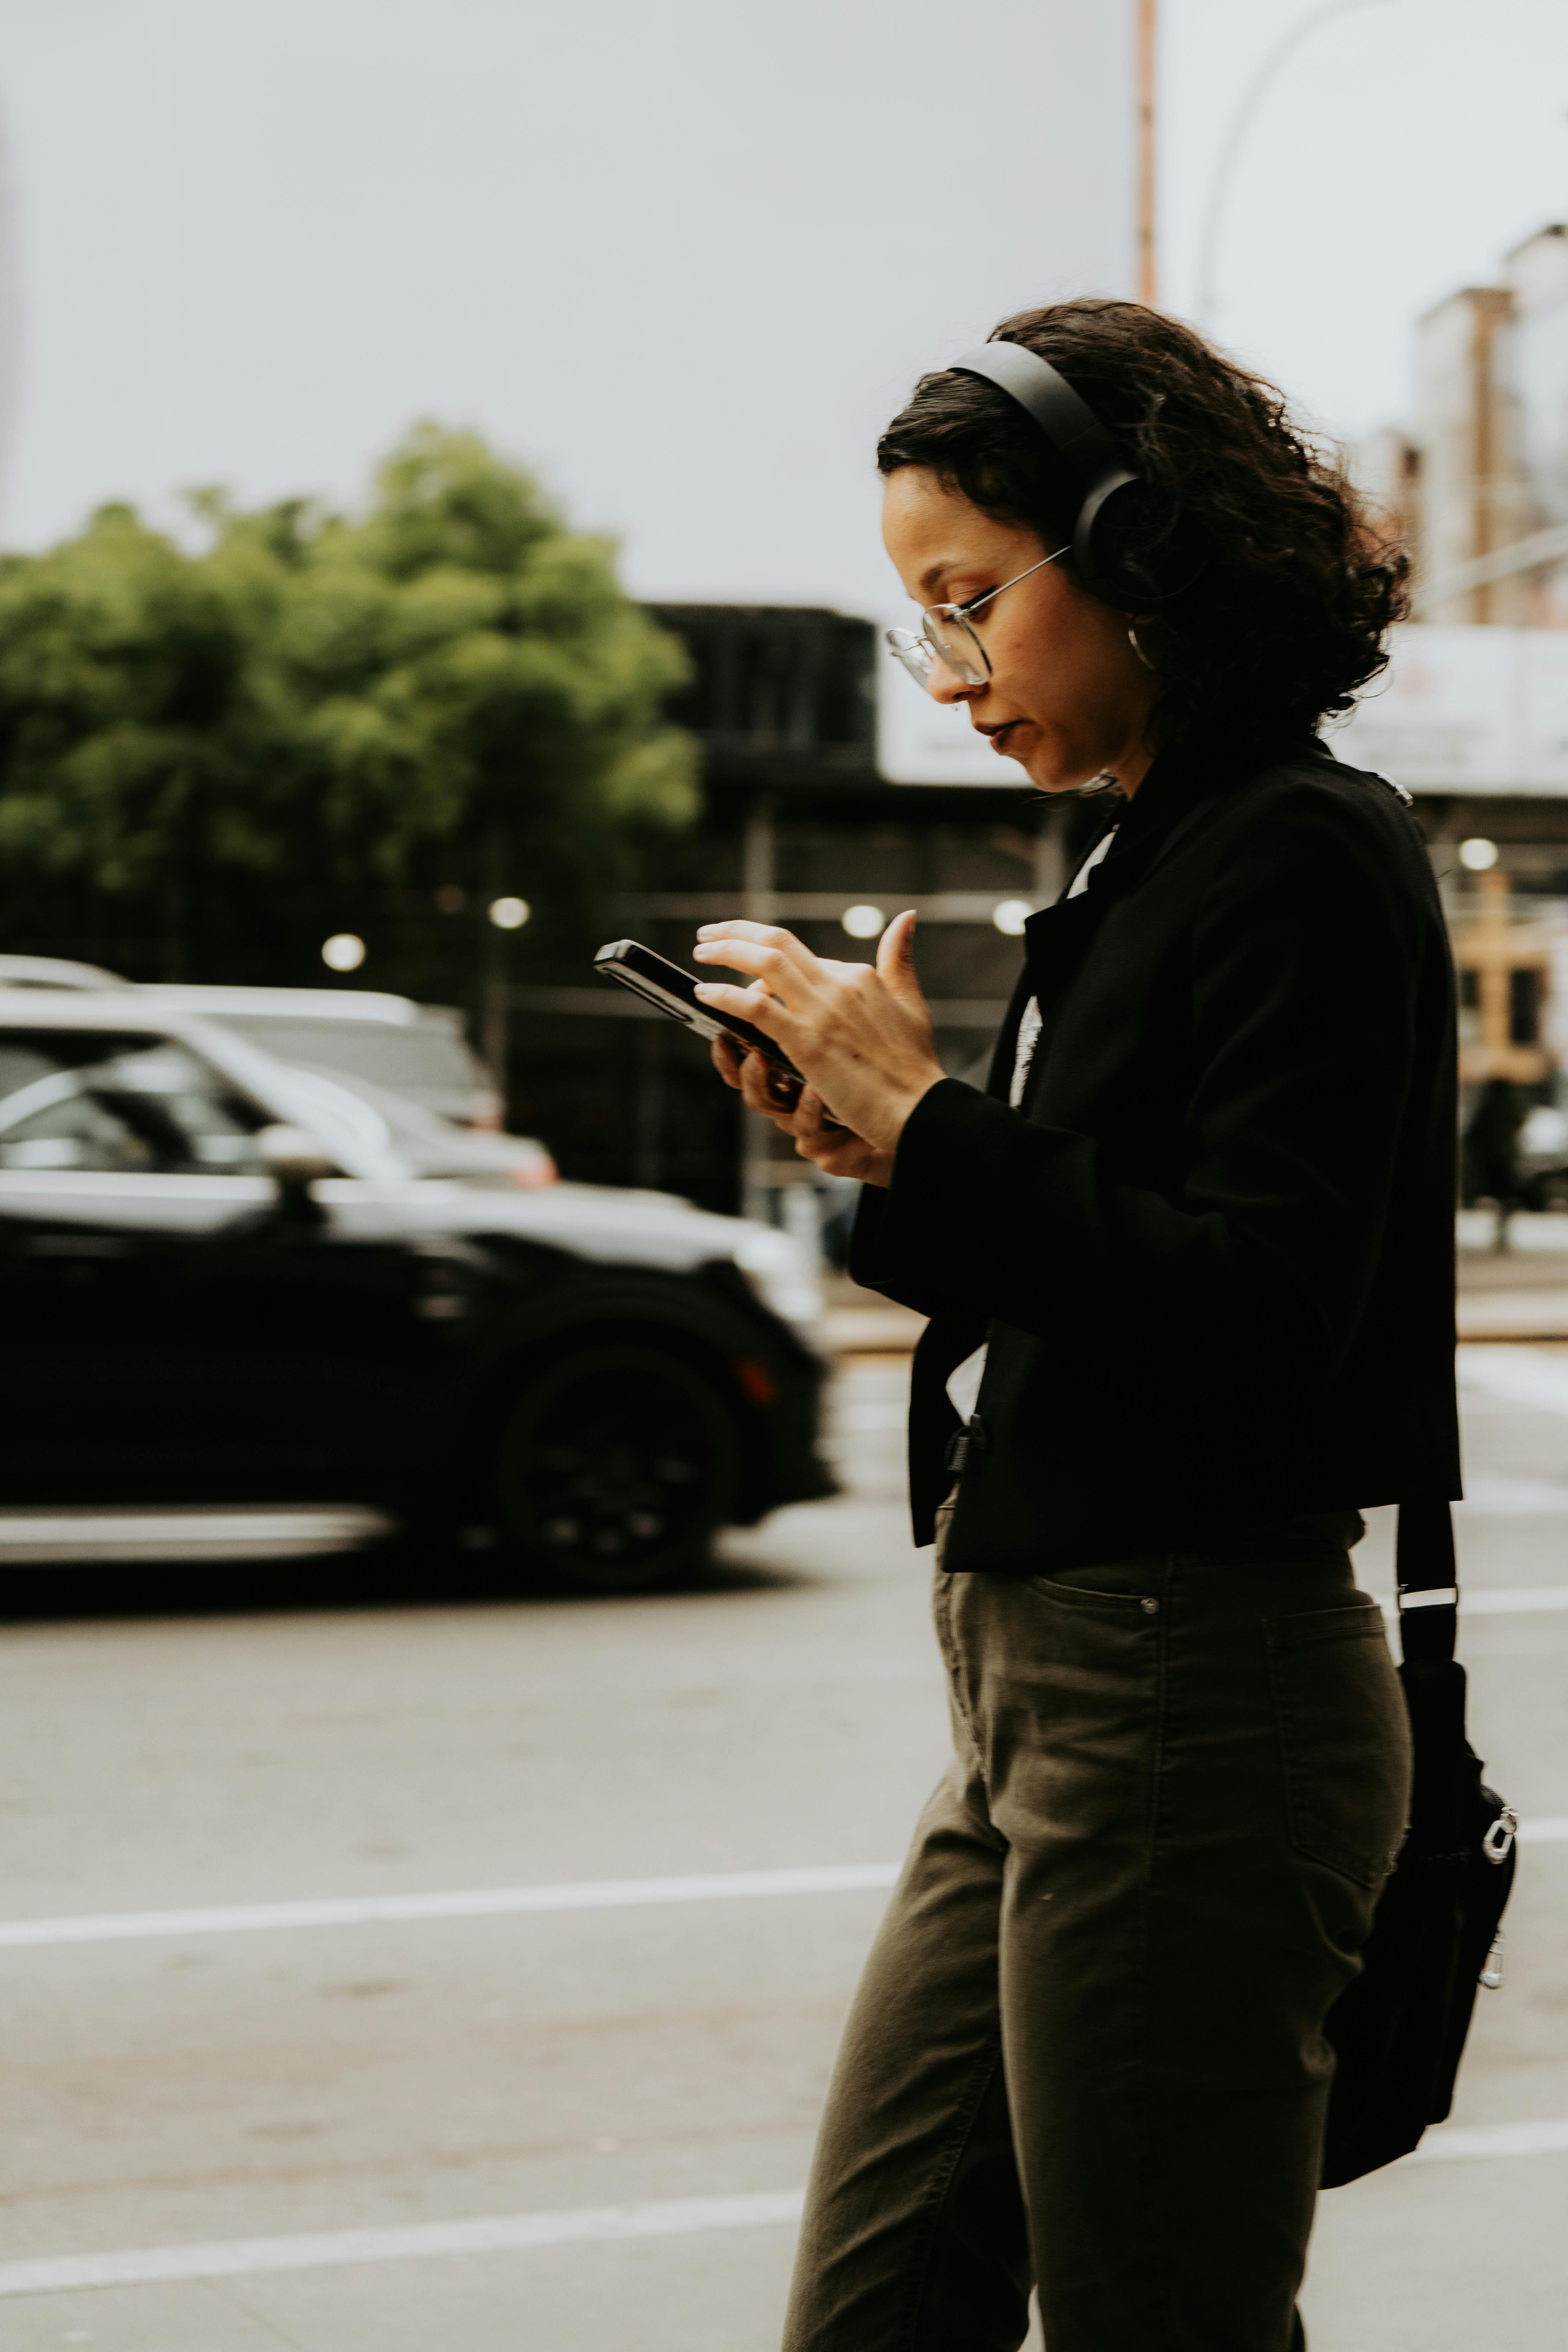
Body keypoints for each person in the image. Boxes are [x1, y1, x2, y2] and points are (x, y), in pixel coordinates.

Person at [693, 299, 1457, 2352]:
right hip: (1037, 1690)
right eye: (915, 623)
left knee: (1162, 2319)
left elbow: (1264, 1313)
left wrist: (935, 1120)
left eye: (965, 604)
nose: (945, 672)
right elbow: (1080, 1262)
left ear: (1130, 540)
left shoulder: (1303, 844)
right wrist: (880, 1148)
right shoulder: (1145, 853)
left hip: (1185, 1688)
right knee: (876, 2313)